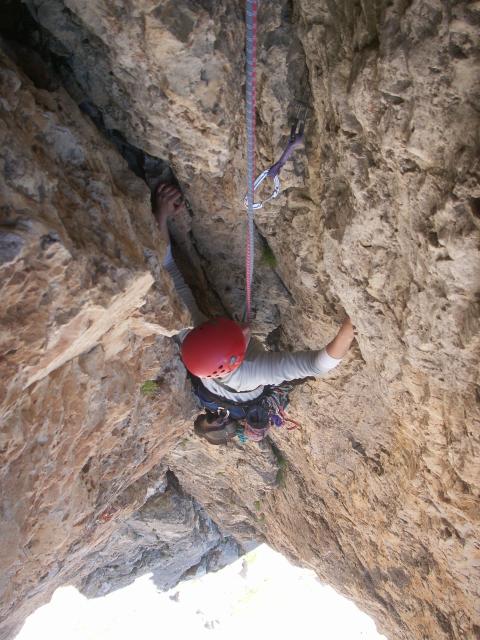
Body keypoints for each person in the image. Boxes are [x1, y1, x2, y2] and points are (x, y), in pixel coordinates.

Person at [153, 183, 355, 444]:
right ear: (239, 359)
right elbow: (319, 364)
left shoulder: (192, 337)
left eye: (230, 328)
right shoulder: (253, 371)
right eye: (241, 338)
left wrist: (161, 213)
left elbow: (167, 266)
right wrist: (353, 324)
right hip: (239, 388)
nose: (245, 329)